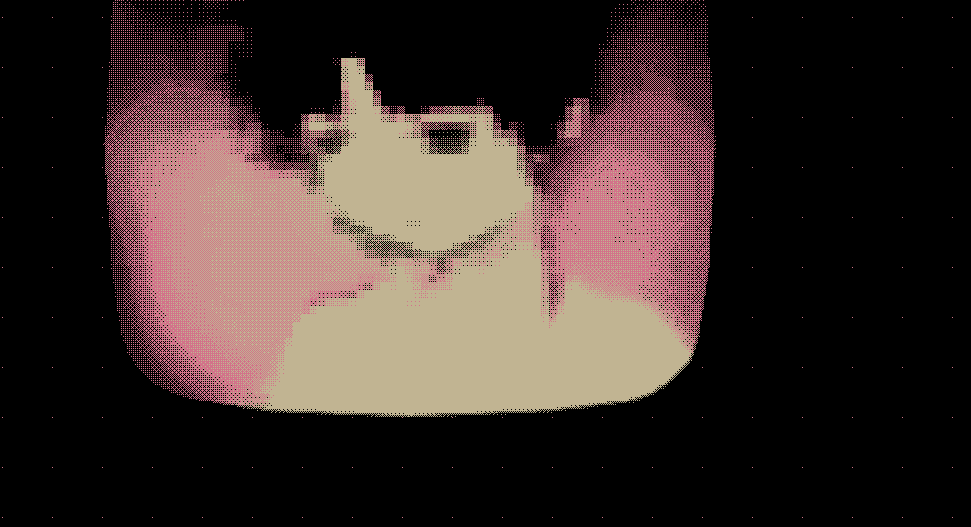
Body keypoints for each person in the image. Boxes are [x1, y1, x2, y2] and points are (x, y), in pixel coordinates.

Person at [252, 58, 692, 415]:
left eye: (443, 138)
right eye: (333, 141)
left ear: (562, 123)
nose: (372, 182)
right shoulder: (324, 351)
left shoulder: (632, 355)